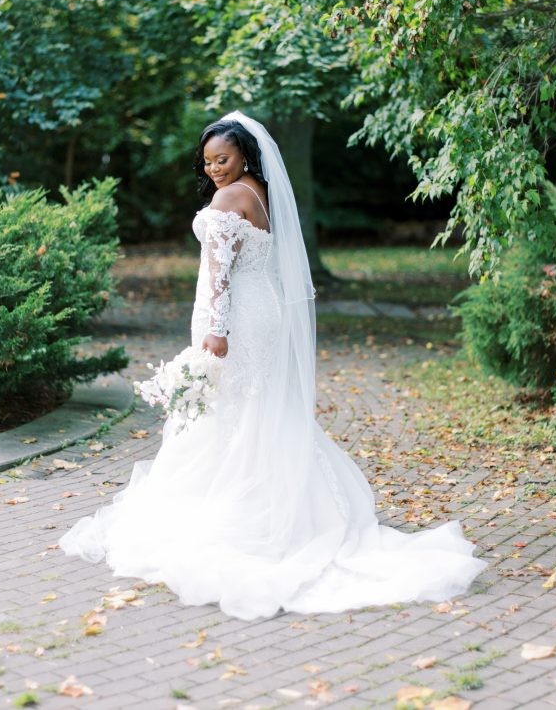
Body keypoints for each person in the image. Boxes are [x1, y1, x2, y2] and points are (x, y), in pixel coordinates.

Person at [59, 111, 486, 621]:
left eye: (224, 158)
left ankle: (244, 513)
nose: (215, 168)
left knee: (231, 406)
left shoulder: (229, 198)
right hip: (262, 308)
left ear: (244, 155)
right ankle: (290, 504)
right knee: (258, 403)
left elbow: (219, 274)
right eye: (209, 161)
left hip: (236, 313)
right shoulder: (259, 190)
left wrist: (216, 332)